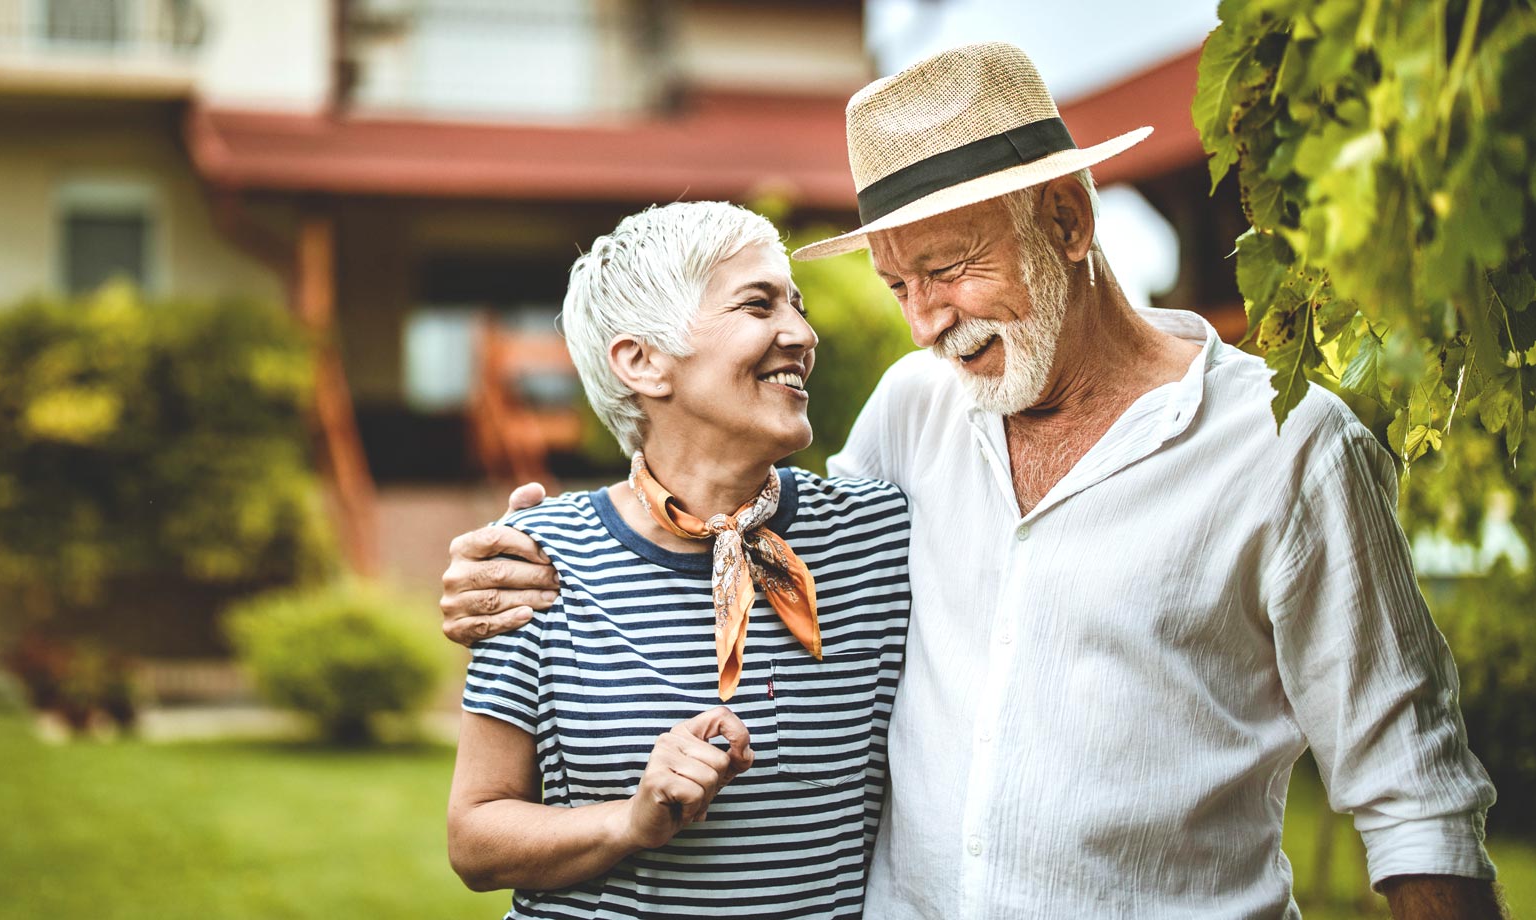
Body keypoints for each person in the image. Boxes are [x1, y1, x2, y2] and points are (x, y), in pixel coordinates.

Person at [440, 42, 1503, 919]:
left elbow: (1416, 797)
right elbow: (751, 536)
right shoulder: (915, 409)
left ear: (1070, 223)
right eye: (898, 283)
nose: (926, 320)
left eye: (948, 268)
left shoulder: (1288, 446)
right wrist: (515, 565)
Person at [446, 200, 914, 919]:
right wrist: (629, 821)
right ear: (644, 362)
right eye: (758, 306)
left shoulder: (880, 537)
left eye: (796, 304)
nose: (802, 333)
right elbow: (476, 838)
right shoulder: (538, 557)